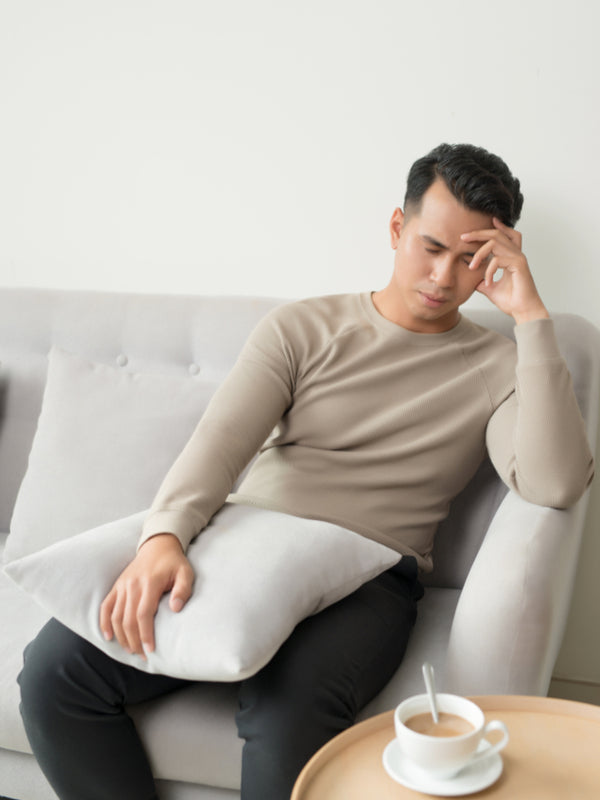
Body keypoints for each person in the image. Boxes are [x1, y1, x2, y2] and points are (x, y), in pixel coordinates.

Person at [18, 143, 594, 800]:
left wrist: (531, 318)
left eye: (470, 260)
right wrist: (164, 537)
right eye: (430, 247)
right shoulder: (303, 327)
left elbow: (554, 483)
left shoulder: (497, 367)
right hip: (249, 548)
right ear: (397, 228)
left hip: (371, 581)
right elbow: (220, 445)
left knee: (284, 707)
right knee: (53, 675)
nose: (443, 276)